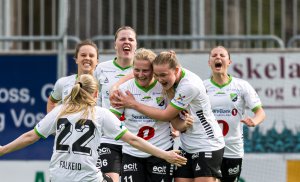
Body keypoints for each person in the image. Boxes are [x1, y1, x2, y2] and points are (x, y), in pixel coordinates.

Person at [0, 74, 187, 182]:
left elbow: (30, 136)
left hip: (58, 177)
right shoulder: (100, 114)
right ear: (96, 94)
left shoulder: (60, 111)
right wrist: (164, 154)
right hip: (87, 179)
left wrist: (3, 149)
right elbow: (132, 139)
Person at [112, 50, 225, 182]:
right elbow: (176, 123)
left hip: (207, 143)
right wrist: (115, 86)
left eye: (163, 75)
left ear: (176, 70)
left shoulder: (189, 86)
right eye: (157, 75)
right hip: (186, 145)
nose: (159, 79)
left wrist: (134, 104)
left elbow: (166, 115)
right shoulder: (170, 82)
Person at [110, 48, 193, 182]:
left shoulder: (165, 88)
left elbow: (175, 122)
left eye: (145, 70)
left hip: (162, 152)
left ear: (153, 71)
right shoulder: (124, 89)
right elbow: (112, 121)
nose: (141, 74)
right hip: (132, 153)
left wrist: (184, 125)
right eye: (137, 70)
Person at [203, 46, 266, 182]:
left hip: (233, 147)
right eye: (214, 55)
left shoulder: (242, 86)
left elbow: (260, 112)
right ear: (209, 63)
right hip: (209, 146)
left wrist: (254, 121)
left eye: (222, 55)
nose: (218, 57)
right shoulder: (202, 87)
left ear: (229, 62)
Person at [93, 26, 137, 181]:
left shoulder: (142, 70)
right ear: (115, 44)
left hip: (134, 138)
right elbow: (95, 101)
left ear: (136, 45)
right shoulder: (101, 69)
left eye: (131, 39)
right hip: (108, 138)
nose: (127, 42)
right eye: (123, 39)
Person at [47, 39, 99, 113]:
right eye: (83, 55)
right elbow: (51, 102)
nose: (87, 58)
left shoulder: (103, 84)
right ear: (76, 59)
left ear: (97, 61)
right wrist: (53, 122)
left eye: (91, 55)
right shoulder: (63, 82)